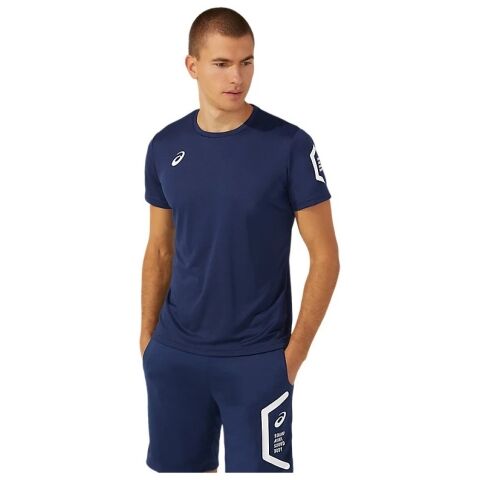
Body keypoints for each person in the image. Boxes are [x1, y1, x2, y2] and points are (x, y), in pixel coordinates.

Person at [140, 7, 340, 473]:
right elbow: (160, 249)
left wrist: (292, 357)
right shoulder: (165, 147)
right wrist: (148, 341)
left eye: (247, 62)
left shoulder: (289, 145)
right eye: (222, 63)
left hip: (258, 361)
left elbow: (326, 257)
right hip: (175, 356)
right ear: (192, 66)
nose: (238, 77)